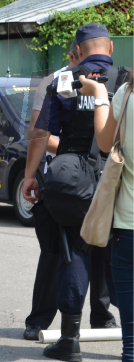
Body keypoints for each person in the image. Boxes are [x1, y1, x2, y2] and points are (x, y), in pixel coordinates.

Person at [23, 23, 127, 361]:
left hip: (74, 181)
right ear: (110, 48)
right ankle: (115, 324)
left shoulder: (64, 81)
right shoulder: (125, 81)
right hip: (116, 179)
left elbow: (41, 133)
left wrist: (29, 177)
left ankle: (70, 337)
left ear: (78, 51)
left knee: (74, 250)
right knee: (120, 253)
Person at [78, 70, 133, 361]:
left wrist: (100, 94)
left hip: (128, 227)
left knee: (132, 343)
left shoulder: (126, 94)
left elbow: (104, 143)